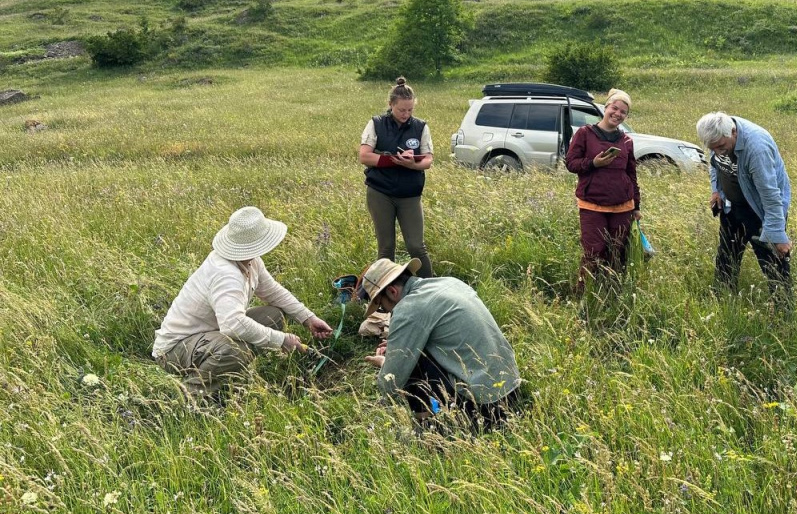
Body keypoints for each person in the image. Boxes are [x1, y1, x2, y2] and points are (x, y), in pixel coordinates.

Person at [152, 207, 333, 395]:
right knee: (236, 350)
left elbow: (273, 291)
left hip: (210, 334)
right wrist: (280, 340)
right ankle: (191, 396)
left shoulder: (251, 261)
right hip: (175, 350)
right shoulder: (226, 274)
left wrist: (308, 318)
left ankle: (228, 371)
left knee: (273, 316)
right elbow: (232, 325)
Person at [360, 258, 522, 430]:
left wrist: (386, 362)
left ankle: (430, 430)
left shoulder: (409, 308)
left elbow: (390, 383)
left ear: (392, 292)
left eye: (382, 308)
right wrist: (397, 344)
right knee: (413, 352)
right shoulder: (450, 282)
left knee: (414, 362)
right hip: (511, 388)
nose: (386, 312)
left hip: (486, 406)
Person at [695, 112, 793, 300]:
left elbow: (771, 196)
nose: (718, 151)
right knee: (726, 258)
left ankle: (784, 314)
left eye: (721, 146)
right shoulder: (716, 133)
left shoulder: (757, 148)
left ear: (734, 133)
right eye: (712, 147)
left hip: (759, 212)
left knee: (774, 265)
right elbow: (715, 164)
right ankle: (723, 300)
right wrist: (716, 190)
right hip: (732, 208)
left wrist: (777, 234)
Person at [564, 88, 641, 294]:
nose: (617, 114)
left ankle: (611, 293)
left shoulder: (626, 141)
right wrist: (593, 163)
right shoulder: (585, 134)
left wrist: (637, 206)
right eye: (614, 108)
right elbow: (571, 163)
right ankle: (582, 294)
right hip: (592, 205)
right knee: (594, 251)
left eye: (623, 112)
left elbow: (631, 175)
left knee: (617, 252)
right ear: (605, 108)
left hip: (623, 205)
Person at [359, 77, 434, 278]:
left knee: (416, 246)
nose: (406, 114)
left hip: (410, 194)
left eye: (410, 110)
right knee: (386, 248)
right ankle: (385, 292)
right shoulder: (376, 124)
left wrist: (413, 164)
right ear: (391, 104)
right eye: (402, 110)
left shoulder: (420, 127)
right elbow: (364, 156)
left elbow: (428, 160)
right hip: (380, 192)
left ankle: (431, 286)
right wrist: (392, 160)